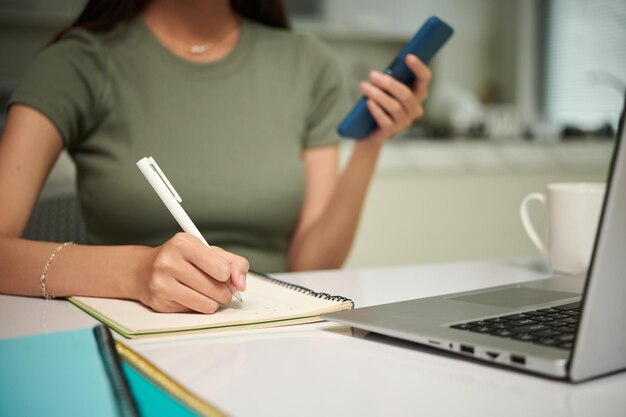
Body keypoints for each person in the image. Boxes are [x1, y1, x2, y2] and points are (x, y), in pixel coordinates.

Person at [0, 0, 432, 313]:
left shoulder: (308, 63)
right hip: (132, 338)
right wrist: (134, 272)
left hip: (276, 333)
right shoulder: (76, 64)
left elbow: (312, 266)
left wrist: (370, 144)